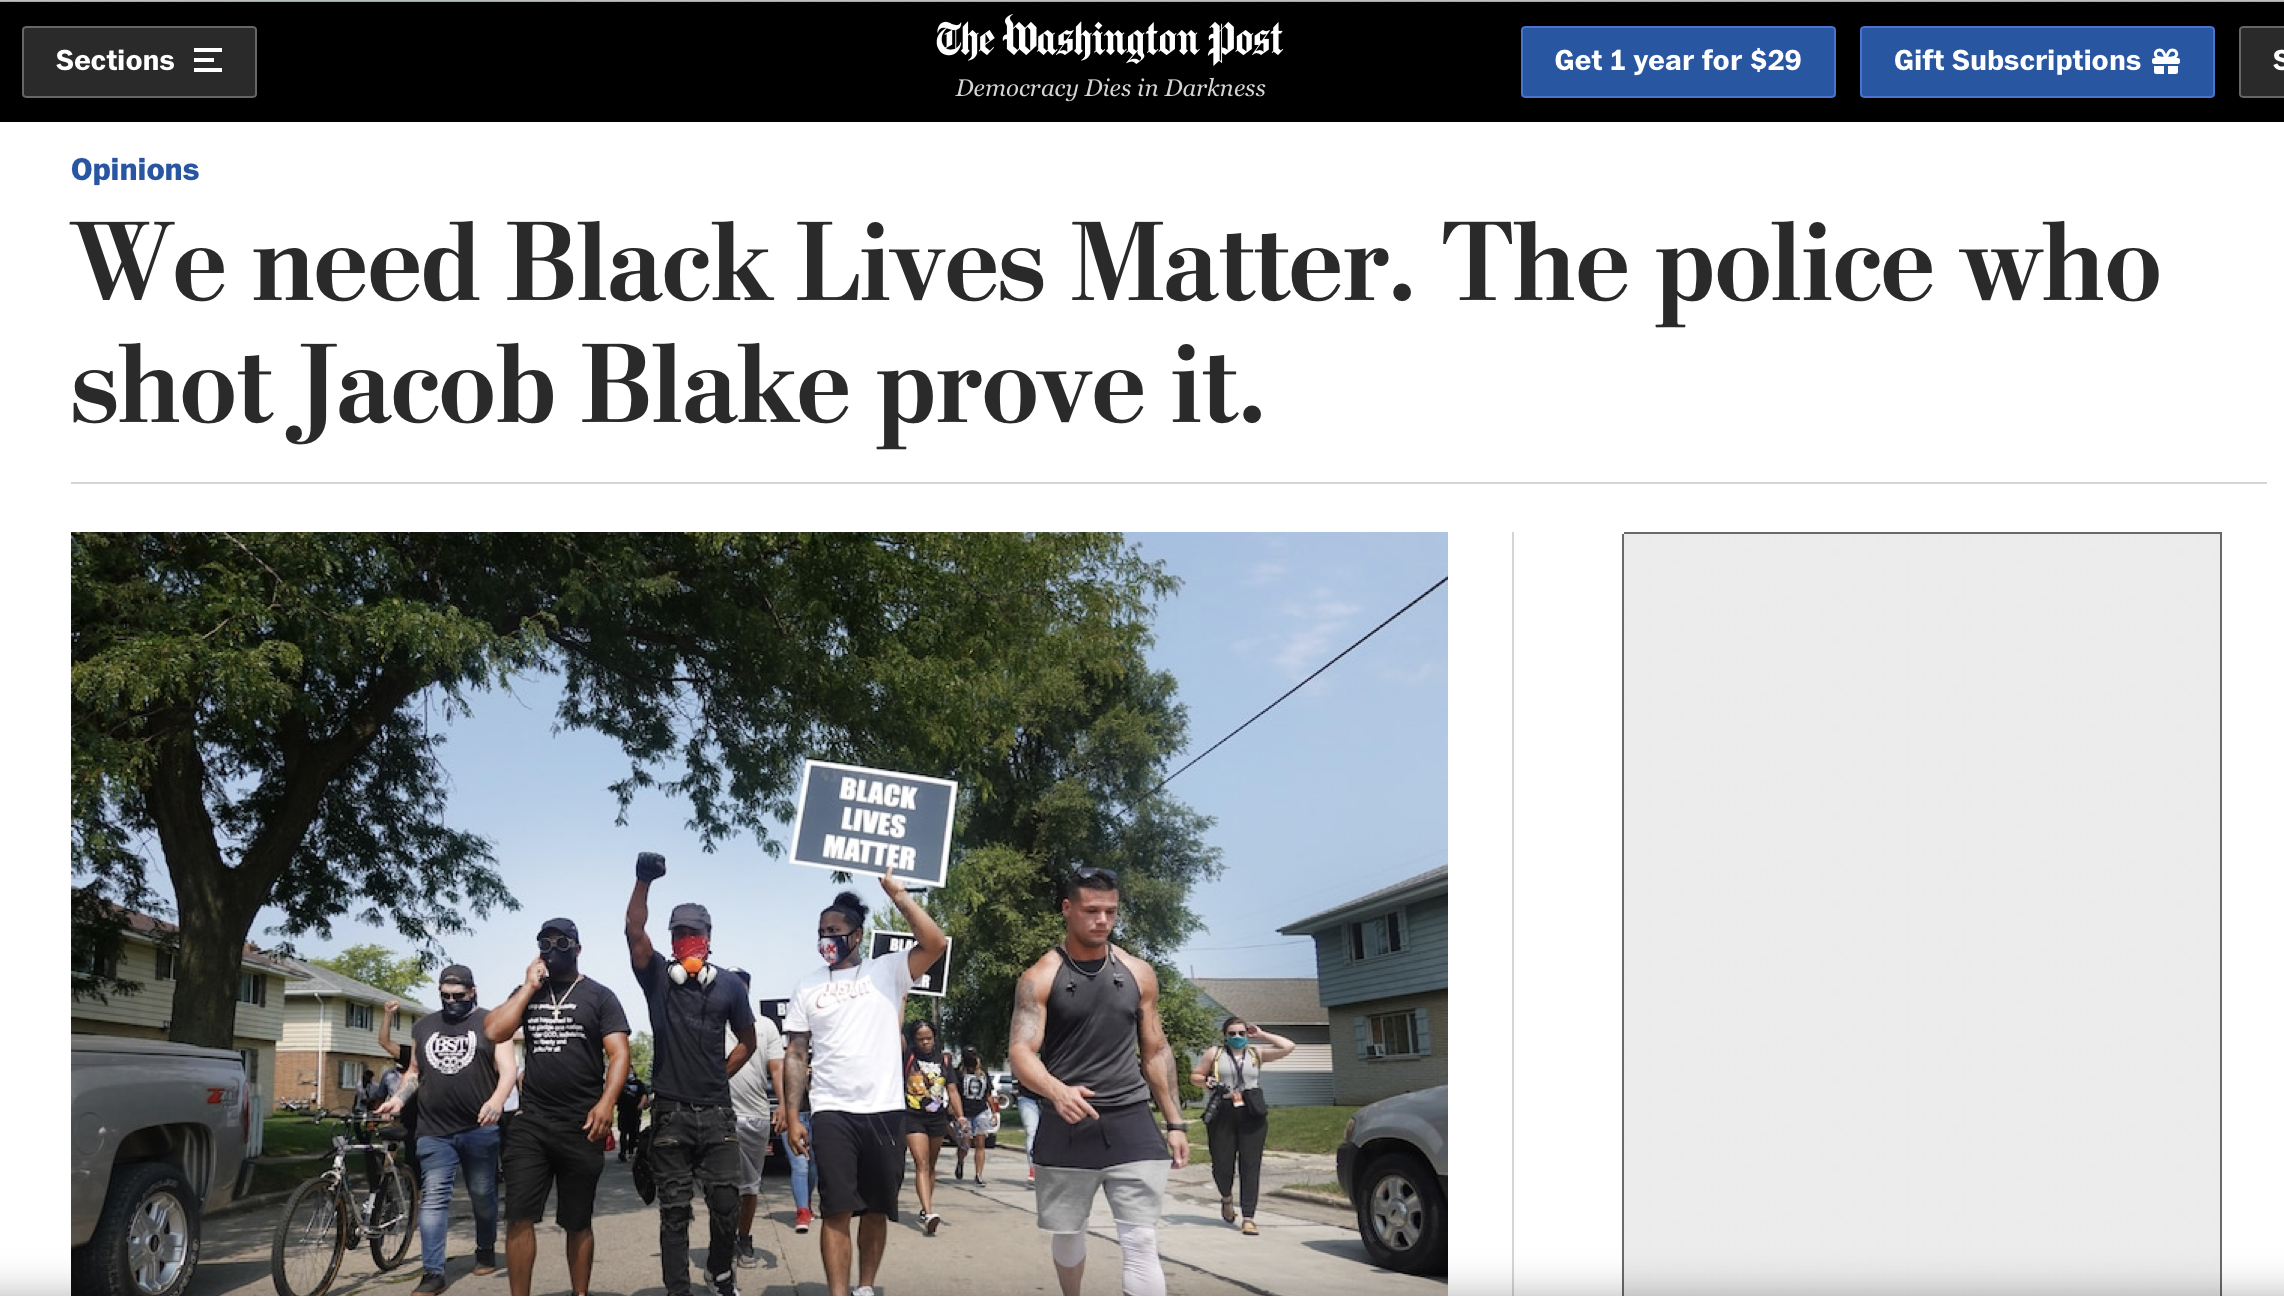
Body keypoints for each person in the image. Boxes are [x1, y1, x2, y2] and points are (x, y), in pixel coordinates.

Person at [1008, 868, 1189, 1297]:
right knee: (1069, 1234)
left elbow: (1156, 1050)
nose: (1102, 920)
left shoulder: (1138, 972)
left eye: (1110, 911)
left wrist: (1176, 1123)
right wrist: (1056, 1090)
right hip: (1067, 1121)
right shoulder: (1040, 976)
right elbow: (1020, 1052)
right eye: (1091, 910)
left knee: (1141, 1239)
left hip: (1130, 1120)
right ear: (1067, 909)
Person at [784, 876, 948, 1296]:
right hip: (832, 1111)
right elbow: (797, 1054)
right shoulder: (807, 985)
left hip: (884, 1111)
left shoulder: (887, 971)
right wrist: (792, 1114)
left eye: (835, 932)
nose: (826, 939)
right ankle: (838, 1295)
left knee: (876, 1209)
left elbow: (934, 943)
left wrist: (898, 895)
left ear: (856, 935)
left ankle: (865, 1288)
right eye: (821, 932)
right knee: (836, 1208)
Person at [626, 850, 760, 1296]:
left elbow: (748, 1041)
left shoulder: (728, 986)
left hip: (717, 1114)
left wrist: (720, 1076)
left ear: (708, 935)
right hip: (670, 1116)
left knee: (726, 1205)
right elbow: (633, 931)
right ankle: (678, 1292)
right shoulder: (659, 978)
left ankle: (720, 1272)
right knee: (675, 1213)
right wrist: (643, 881)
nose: (685, 939)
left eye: (693, 933)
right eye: (678, 933)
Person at [483, 917, 633, 1296]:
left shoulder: (600, 996)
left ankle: (579, 1296)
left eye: (562, 942)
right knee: (518, 1215)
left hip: (582, 1123)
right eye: (545, 943)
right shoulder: (528, 991)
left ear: (578, 949)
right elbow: (494, 1031)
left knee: (578, 1220)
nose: (554, 949)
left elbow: (619, 1055)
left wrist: (606, 1104)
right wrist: (528, 987)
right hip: (532, 1122)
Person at [377, 964, 517, 1297]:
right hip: (433, 1130)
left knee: (482, 1195)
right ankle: (433, 1272)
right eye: (445, 996)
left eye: (458, 996)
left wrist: (497, 1101)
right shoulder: (425, 1026)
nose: (451, 1001)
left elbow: (508, 1070)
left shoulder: (492, 1023)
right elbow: (413, 1072)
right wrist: (398, 1100)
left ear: (473, 991)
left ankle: (485, 1248)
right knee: (433, 1200)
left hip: (478, 1128)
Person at [1190, 1016, 1296, 1235]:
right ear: (1225, 1036)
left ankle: (1248, 1217)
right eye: (1232, 1034)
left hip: (1251, 1111)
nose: (1237, 1037)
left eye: (1241, 1033)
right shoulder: (1215, 1054)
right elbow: (1195, 1075)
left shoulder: (1256, 1054)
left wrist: (1261, 1034)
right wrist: (1206, 1081)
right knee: (1222, 1163)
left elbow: (1288, 1046)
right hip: (1223, 1110)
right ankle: (1226, 1198)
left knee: (1250, 1165)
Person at [727, 969, 788, 1270]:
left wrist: (785, 1106)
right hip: (719, 1116)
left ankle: (744, 1237)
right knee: (721, 1185)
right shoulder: (712, 1023)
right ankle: (722, 1240)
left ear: (747, 990)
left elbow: (777, 1070)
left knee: (749, 1186)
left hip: (755, 1116)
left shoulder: (765, 1027)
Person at [901, 1021, 963, 1227]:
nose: (925, 1042)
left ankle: (924, 1206)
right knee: (922, 1163)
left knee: (931, 1167)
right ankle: (929, 1213)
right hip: (912, 1116)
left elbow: (952, 1090)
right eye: (920, 1039)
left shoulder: (944, 1060)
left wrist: (960, 1117)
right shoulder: (907, 1056)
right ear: (913, 1040)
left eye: (928, 1038)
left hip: (937, 1118)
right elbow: (896, 1034)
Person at [955, 1049, 993, 1185]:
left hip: (980, 1111)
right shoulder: (959, 1073)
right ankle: (960, 1161)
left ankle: (979, 1174)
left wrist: (994, 1112)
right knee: (965, 1143)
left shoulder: (983, 1073)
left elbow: (988, 1094)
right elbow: (954, 1093)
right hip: (964, 1112)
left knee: (980, 1143)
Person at [617, 1071, 651, 1162]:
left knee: (633, 1132)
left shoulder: (638, 1083)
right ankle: (622, 1152)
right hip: (623, 1111)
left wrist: (641, 1104)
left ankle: (631, 1152)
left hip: (634, 1112)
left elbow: (644, 1094)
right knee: (623, 1132)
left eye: (630, 1070)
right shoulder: (620, 1083)